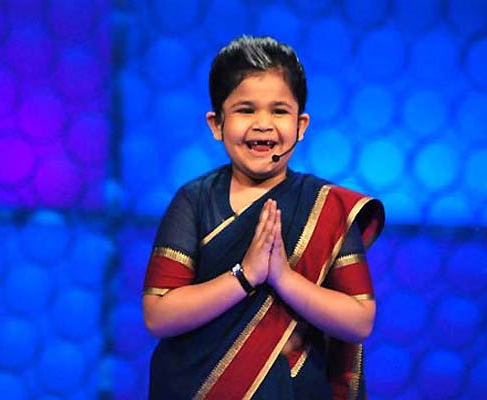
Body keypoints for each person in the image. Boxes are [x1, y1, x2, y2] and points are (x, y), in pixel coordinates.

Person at [142, 35, 384, 400]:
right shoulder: (194, 201)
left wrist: (283, 278)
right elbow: (158, 314)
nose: (263, 124)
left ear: (301, 125)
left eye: (279, 111)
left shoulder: (327, 207)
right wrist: (245, 276)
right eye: (245, 110)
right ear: (216, 124)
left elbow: (360, 320)